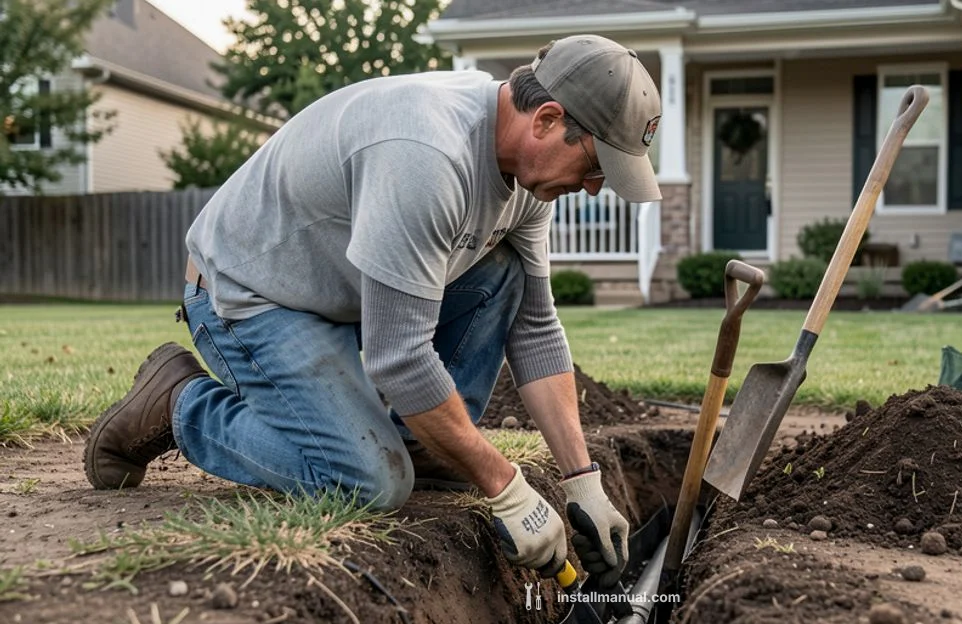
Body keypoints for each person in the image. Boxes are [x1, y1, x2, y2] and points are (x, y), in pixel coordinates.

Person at [82, 33, 662, 587]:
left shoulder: (527, 184)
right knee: (368, 484)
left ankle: (420, 441)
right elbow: (399, 358)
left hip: (340, 292)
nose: (592, 188)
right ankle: (178, 403)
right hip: (251, 297)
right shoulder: (427, 156)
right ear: (547, 120)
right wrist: (505, 487)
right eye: (595, 168)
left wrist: (583, 481)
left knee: (503, 271)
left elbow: (535, 327)